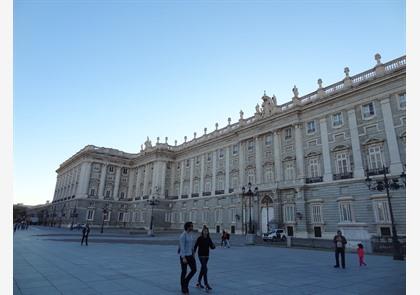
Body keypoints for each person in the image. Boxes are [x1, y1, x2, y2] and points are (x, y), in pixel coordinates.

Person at [194, 225, 215, 291]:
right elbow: (195, 246)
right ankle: (206, 284)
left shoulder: (209, 238)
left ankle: (198, 282)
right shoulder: (199, 238)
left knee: (203, 269)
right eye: (204, 231)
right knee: (205, 269)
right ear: (202, 232)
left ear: (208, 232)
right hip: (201, 255)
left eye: (207, 231)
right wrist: (193, 253)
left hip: (207, 256)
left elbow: (211, 247)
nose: (206, 232)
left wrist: (213, 246)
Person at [179, 222, 197, 295]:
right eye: (191, 226)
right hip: (184, 256)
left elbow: (191, 245)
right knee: (184, 272)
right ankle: (184, 288)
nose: (192, 227)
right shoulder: (183, 235)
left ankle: (185, 282)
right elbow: (182, 247)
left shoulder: (190, 234)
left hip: (190, 255)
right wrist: (183, 257)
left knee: (194, 269)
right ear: (187, 227)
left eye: (192, 226)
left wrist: (193, 253)